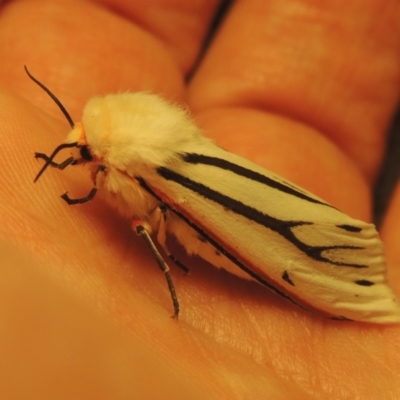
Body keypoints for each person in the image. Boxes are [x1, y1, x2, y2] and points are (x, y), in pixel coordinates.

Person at [0, 1, 399, 398]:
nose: (78, 157)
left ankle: (352, 277)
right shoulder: (124, 153)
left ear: (108, 162)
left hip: (276, 239)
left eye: (85, 155)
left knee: (262, 239)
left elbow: (142, 216)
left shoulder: (133, 166)